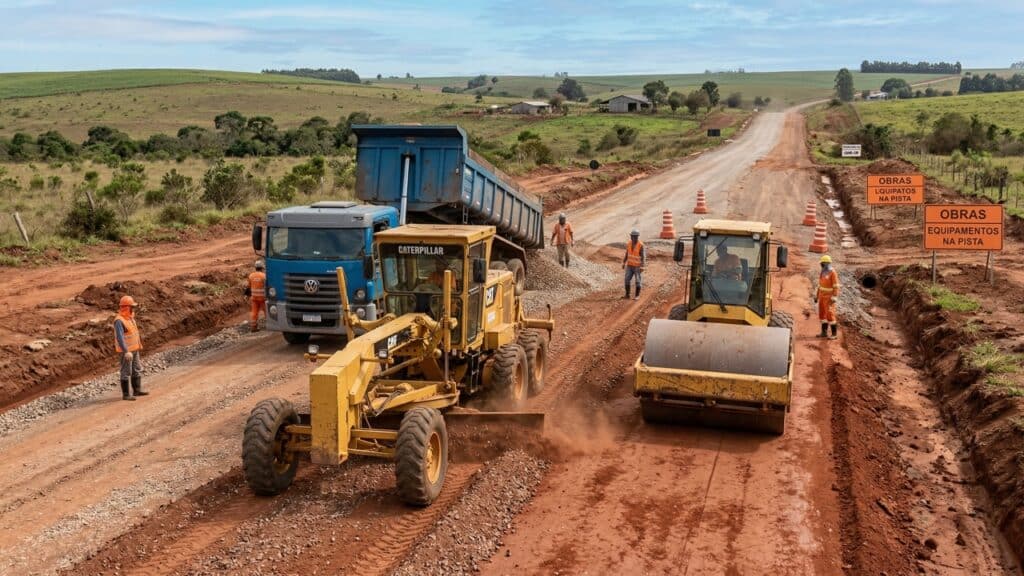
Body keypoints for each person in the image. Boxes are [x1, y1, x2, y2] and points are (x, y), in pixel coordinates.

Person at [113, 295, 148, 401]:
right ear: (126, 307)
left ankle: (137, 390)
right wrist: (126, 351)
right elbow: (120, 338)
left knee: (136, 369)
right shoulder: (119, 321)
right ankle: (126, 394)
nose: (134, 308)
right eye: (132, 306)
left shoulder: (130, 318)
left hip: (135, 349)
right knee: (126, 372)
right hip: (127, 351)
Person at [815, 255, 840, 339]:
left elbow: (836, 286)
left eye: (822, 263)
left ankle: (834, 334)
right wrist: (817, 296)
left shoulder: (833, 272)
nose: (821, 265)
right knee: (822, 314)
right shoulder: (822, 272)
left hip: (829, 297)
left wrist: (834, 297)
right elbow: (820, 285)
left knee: (830, 314)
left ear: (826, 263)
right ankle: (824, 333)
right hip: (822, 296)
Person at [622, 228, 646, 300]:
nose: (633, 237)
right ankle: (627, 295)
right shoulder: (629, 243)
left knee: (637, 281)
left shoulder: (640, 245)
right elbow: (627, 253)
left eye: (635, 236)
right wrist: (624, 262)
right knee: (626, 279)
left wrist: (642, 266)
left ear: (637, 237)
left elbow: (643, 257)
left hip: (637, 266)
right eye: (632, 236)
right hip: (629, 265)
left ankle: (637, 296)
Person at [247, 260, 267, 333]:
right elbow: (267, 286)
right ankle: (270, 324)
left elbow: (249, 286)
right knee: (266, 312)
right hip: (262, 298)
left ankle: (253, 327)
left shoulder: (251, 276)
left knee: (254, 312)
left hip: (254, 298)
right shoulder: (264, 276)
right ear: (262, 267)